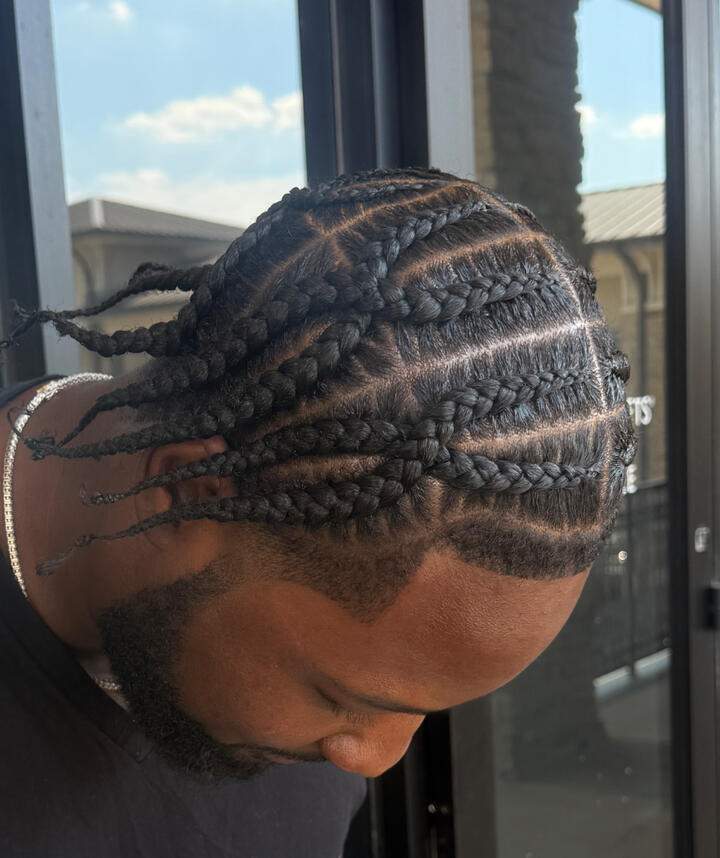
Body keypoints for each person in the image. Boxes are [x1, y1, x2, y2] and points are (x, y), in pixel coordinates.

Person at [0, 166, 635, 856]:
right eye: (339, 698)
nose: (373, 760)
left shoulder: (289, 753)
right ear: (189, 493)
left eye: (421, 709)